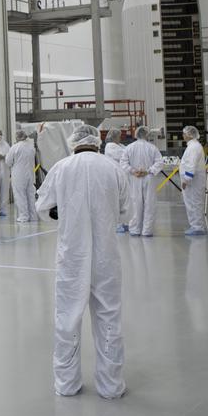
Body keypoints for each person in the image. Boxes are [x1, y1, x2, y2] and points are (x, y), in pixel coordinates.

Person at [35, 123, 127, 399]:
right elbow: (127, 211)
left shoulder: (61, 168)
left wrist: (61, 214)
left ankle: (67, 383)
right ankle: (111, 386)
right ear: (97, 141)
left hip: (72, 257)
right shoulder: (113, 169)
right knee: (109, 316)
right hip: (106, 257)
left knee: (67, 318)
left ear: (73, 142)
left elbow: (43, 208)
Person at [123, 126, 163, 237]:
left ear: (136, 134)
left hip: (134, 178)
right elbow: (159, 162)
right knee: (149, 204)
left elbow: (123, 163)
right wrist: (149, 171)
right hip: (148, 177)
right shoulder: (152, 148)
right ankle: (147, 231)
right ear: (147, 135)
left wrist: (133, 171)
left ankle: (135, 230)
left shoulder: (129, 148)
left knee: (135, 203)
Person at [178, 126, 208, 236]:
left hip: (193, 182)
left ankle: (197, 227)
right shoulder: (193, 146)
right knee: (193, 202)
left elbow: (191, 165)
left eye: (184, 134)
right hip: (193, 181)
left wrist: (186, 180)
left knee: (194, 203)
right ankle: (195, 225)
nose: (183, 135)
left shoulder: (193, 147)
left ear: (189, 135)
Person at [6, 129, 38, 222]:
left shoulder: (15, 147)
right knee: (30, 195)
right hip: (30, 174)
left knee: (20, 195)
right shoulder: (31, 147)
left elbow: (8, 162)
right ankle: (33, 216)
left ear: (17, 137)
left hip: (19, 175)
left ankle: (24, 216)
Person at [103, 128, 128, 232]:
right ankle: (117, 224)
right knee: (116, 201)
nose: (120, 137)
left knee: (123, 201)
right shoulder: (110, 146)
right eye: (118, 136)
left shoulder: (119, 146)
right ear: (114, 137)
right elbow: (125, 155)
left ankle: (124, 222)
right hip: (114, 177)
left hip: (121, 177)